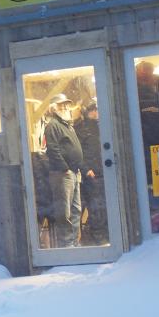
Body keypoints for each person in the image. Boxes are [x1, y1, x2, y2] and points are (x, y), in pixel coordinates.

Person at [41, 94, 83, 247]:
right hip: (63, 174)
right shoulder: (52, 125)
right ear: (53, 108)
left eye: (66, 105)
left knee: (76, 209)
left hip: (73, 173)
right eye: (61, 105)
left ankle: (73, 242)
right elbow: (52, 149)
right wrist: (64, 168)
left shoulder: (67, 125)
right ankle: (66, 245)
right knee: (64, 212)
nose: (65, 108)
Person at [75, 100, 108, 246]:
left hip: (105, 171)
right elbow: (77, 152)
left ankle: (103, 234)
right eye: (92, 110)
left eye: (96, 109)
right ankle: (97, 236)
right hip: (92, 174)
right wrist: (86, 169)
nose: (95, 112)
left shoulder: (104, 125)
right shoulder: (81, 128)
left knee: (105, 206)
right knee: (96, 206)